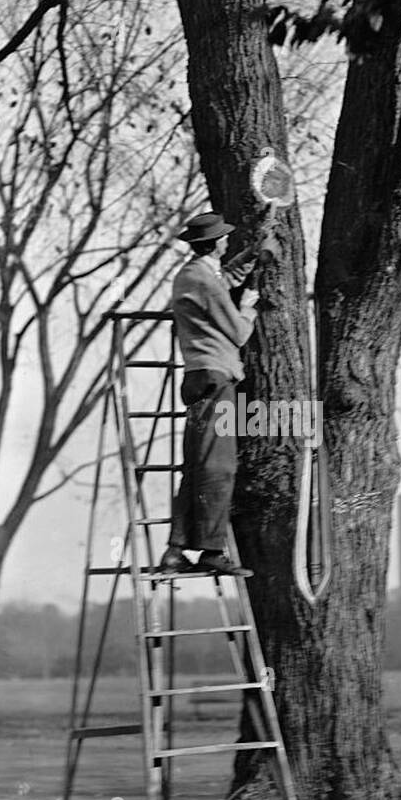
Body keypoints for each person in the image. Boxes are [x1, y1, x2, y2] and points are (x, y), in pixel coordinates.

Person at [158, 211, 259, 577]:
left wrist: (250, 255)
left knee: (200, 466)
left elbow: (222, 279)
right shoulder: (201, 277)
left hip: (204, 376)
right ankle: (212, 551)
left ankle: (177, 550)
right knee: (219, 467)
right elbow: (238, 332)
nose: (226, 242)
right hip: (215, 377)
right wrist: (247, 310)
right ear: (215, 244)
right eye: (224, 239)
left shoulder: (199, 273)